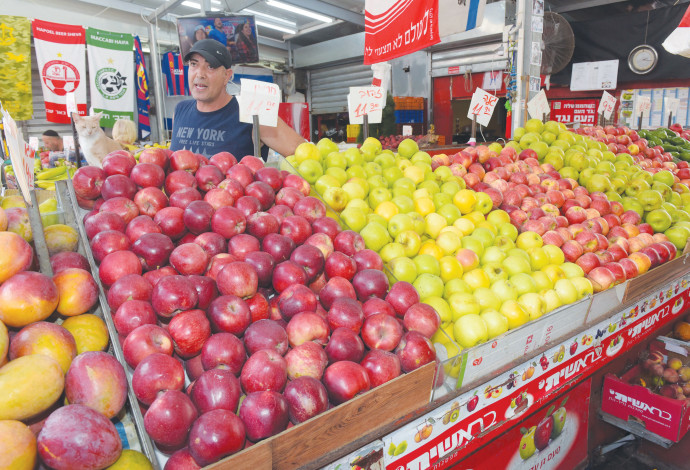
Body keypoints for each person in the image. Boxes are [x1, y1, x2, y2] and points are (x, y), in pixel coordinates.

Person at [170, 39, 305, 159]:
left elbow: (303, 153)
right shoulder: (180, 110)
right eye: (194, 64)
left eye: (210, 66)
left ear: (227, 76)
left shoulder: (253, 112)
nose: (200, 74)